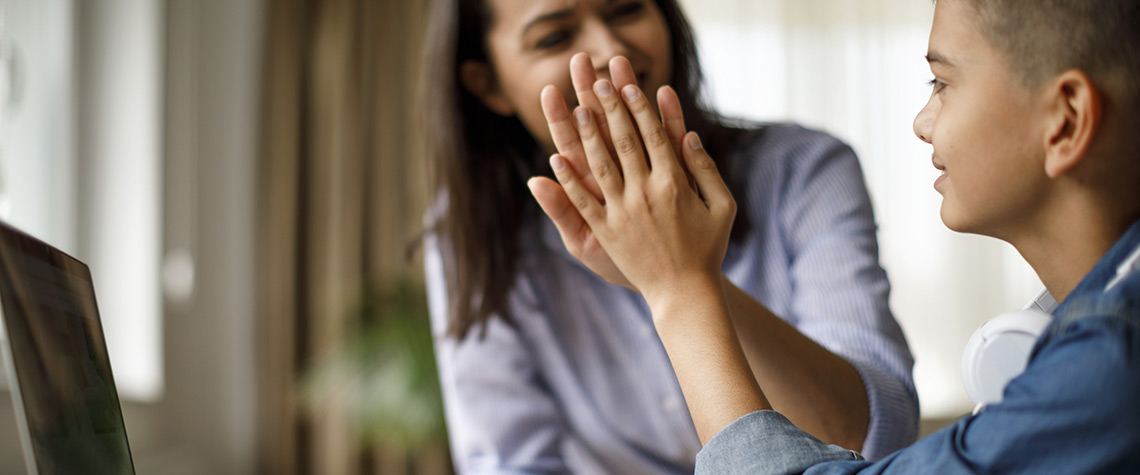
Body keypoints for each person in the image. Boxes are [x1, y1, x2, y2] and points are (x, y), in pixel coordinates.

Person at [538, 0, 1140, 472]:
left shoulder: (1106, 364)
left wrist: (678, 289)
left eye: (942, 83)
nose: (921, 121)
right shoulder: (1080, 338)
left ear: (1065, 119)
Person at [421, 0, 918, 472]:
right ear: (487, 84)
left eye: (627, 9)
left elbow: (872, 436)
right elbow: (510, 463)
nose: (608, 48)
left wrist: (677, 273)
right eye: (553, 37)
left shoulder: (804, 169)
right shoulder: (468, 237)